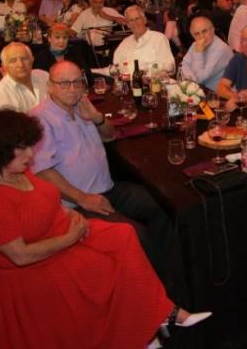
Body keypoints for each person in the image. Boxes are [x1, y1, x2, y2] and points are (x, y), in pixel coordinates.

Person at [0, 110, 205, 349]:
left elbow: (44, 201)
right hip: (35, 265)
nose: (30, 153)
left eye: (30, 146)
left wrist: (68, 214)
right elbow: (21, 256)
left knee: (124, 234)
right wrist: (70, 238)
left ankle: (155, 315)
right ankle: (141, 328)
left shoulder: (19, 172)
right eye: (22, 148)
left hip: (61, 231)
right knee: (104, 266)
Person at [31, 61, 179, 280]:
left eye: (77, 82)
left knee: (161, 206)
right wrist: (82, 198)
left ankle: (171, 278)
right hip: (77, 203)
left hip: (107, 188)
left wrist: (97, 118)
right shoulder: (39, 119)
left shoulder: (82, 106)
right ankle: (155, 289)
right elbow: (43, 172)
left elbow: (110, 136)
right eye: (64, 83)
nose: (72, 89)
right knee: (137, 235)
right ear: (50, 86)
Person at [112, 5, 175, 73]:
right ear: (128, 24)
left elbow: (170, 66)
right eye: (131, 20)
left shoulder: (159, 39)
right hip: (127, 79)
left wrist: (147, 69)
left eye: (137, 19)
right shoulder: (124, 43)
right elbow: (115, 67)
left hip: (152, 78)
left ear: (144, 20)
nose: (135, 23)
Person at [0, 42, 49, 112]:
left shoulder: (43, 76)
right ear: (4, 66)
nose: (20, 65)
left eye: (24, 59)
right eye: (13, 61)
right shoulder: (1, 94)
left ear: (32, 60)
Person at [181, 16, 233, 91]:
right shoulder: (195, 44)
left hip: (217, 95)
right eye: (197, 34)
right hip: (200, 91)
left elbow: (200, 79)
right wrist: (191, 79)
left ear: (213, 30)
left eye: (204, 31)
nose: (201, 36)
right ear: (193, 36)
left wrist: (198, 53)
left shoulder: (221, 49)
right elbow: (185, 64)